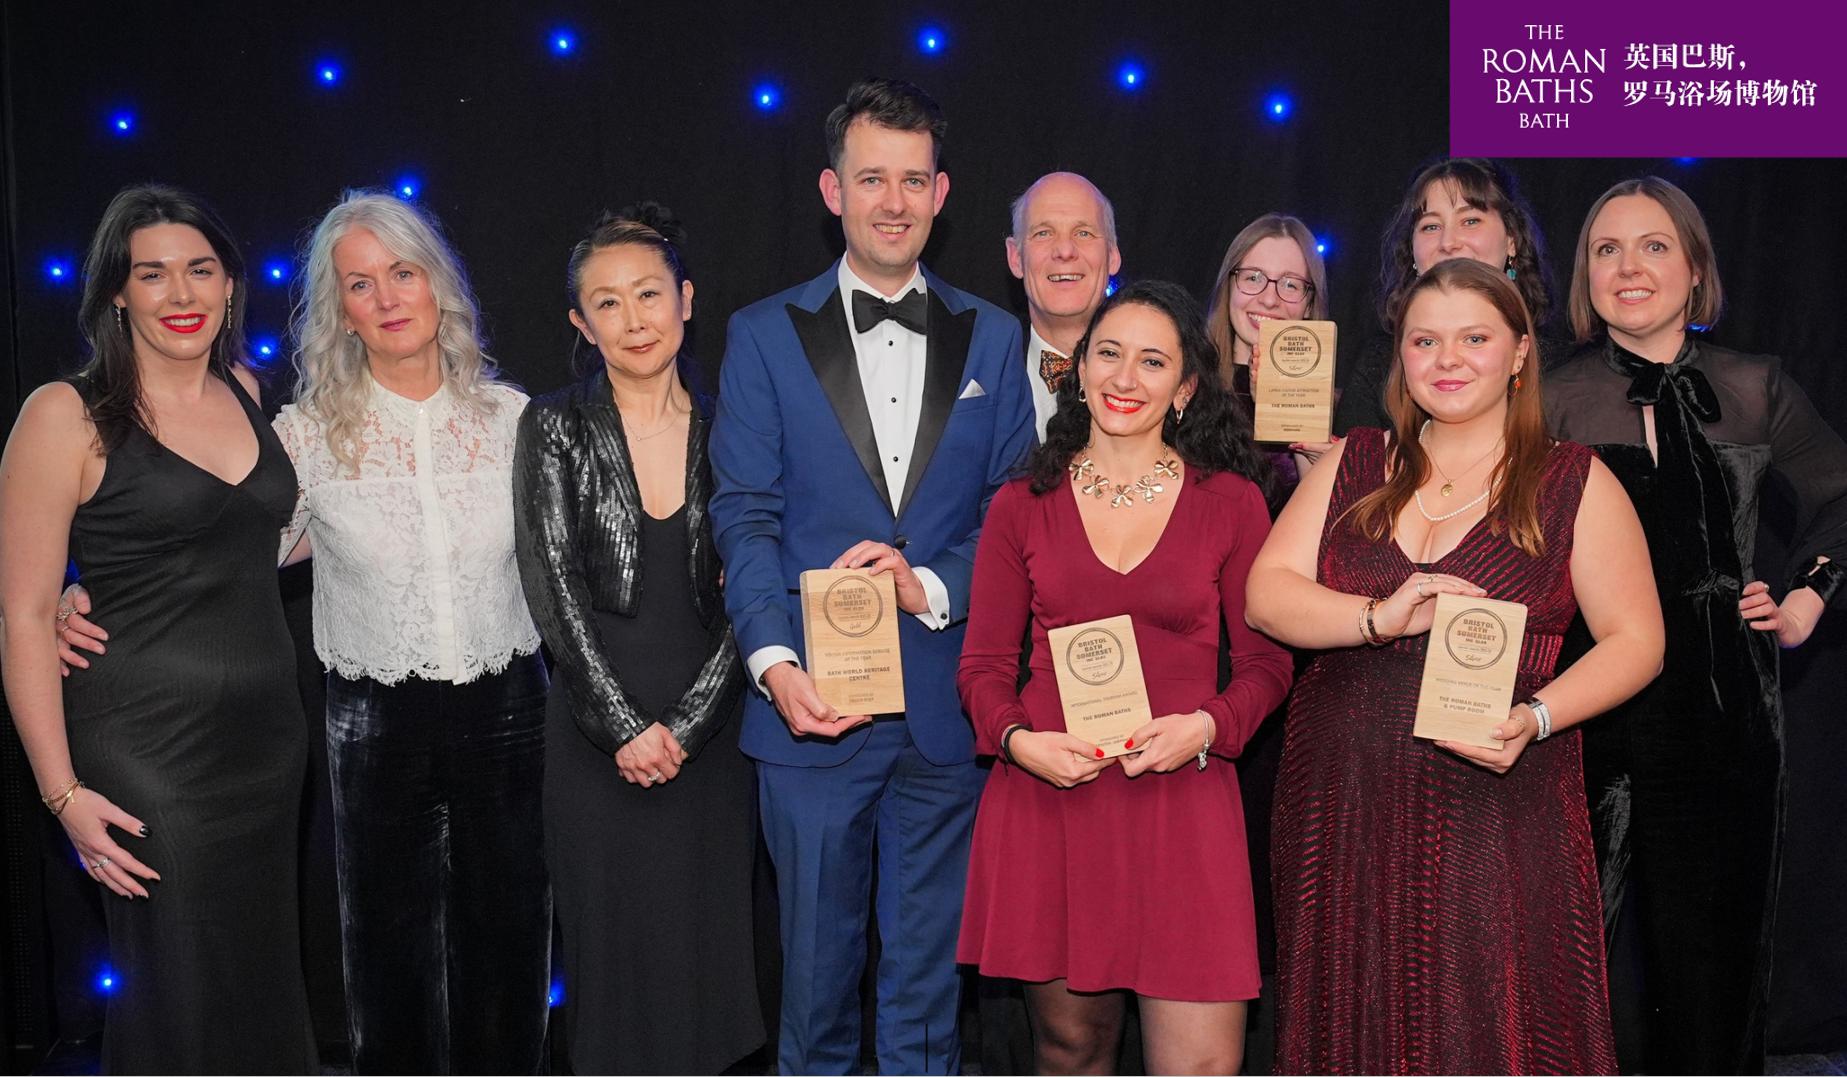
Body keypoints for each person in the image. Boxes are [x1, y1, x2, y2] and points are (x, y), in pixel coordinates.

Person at [64, 190, 552, 1073]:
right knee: (385, 962)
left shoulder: (514, 420)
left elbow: (574, 556)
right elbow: (217, 548)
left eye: (404, 273)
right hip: (371, 726)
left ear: (437, 283)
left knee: (511, 948)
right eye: (360, 285)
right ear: (341, 311)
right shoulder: (301, 436)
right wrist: (78, 592)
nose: (389, 297)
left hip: (511, 716)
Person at [1246, 257, 1665, 1073]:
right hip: (1340, 800)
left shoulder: (1572, 480)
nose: (1446, 359)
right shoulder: (1353, 463)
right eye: (1423, 340)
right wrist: (1375, 617)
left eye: (1473, 338)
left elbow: (1637, 641)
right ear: (1398, 354)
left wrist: (1536, 716)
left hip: (1495, 800)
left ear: (1516, 353)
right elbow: (1267, 594)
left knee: (1486, 1020)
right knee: (1347, 1014)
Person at [708, 77, 1036, 1074]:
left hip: (942, 711)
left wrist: (931, 585)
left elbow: (1014, 516)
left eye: (913, 179)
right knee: (812, 983)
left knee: (929, 989)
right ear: (831, 190)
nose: (892, 200)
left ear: (941, 193)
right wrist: (773, 663)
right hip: (811, 711)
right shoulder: (761, 334)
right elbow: (745, 514)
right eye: (870, 179)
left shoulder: (995, 335)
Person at [0, 184, 316, 1072]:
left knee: (260, 977)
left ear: (228, 285)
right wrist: (60, 794)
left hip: (267, 741)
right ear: (116, 293)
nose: (180, 295)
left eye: (200, 270)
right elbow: (22, 613)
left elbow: (249, 546)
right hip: (145, 747)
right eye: (153, 275)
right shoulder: (65, 413)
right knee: (178, 982)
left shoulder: (247, 388)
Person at [1545, 176, 1847, 1075]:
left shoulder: (1754, 386)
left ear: (1694, 268)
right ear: (1584, 275)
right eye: (1605, 249)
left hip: (1723, 709)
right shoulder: (1547, 396)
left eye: (1651, 246)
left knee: (1711, 974)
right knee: (1560, 961)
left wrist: (1805, 597)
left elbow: (1838, 496)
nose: (1627, 267)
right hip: (1581, 703)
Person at [957, 279, 1293, 1074]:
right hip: (1052, 800)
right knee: (1072, 1049)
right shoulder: (1019, 504)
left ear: (1182, 389)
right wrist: (1017, 742)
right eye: (1107, 353)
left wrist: (1208, 725)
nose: (1123, 377)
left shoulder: (1233, 503)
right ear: (1078, 368)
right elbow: (981, 667)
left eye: (1151, 362)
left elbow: (1266, 663)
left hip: (1183, 798)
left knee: (1202, 1064)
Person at [513, 203, 762, 1074]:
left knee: (709, 953)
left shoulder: (740, 420)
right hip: (592, 737)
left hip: (716, 732)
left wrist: (686, 727)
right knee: (612, 960)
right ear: (581, 323)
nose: (633, 319)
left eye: (648, 294)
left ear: (686, 299)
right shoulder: (552, 426)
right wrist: (623, 725)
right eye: (607, 303)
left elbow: (755, 596)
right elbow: (552, 588)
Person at [1335, 158, 1555, 436]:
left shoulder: (1564, 368)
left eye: (1470, 221)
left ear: (1511, 240)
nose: (1449, 242)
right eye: (1430, 226)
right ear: (1411, 250)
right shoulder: (1377, 363)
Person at [1204, 212, 1334, 487]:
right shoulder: (1188, 386)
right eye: (1253, 278)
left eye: (1290, 284)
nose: (1269, 299)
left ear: (1309, 304)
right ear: (1229, 286)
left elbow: (1319, 516)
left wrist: (1285, 408)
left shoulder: (1334, 411)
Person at [1006, 171, 1121, 440]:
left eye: (1084, 233)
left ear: (1113, 256)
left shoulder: (1154, 377)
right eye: (1044, 233)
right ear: (1015, 257)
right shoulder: (981, 365)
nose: (1065, 251)